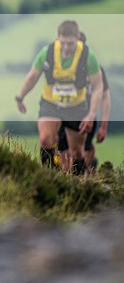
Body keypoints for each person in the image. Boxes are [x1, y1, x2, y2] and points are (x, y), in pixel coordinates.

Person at [15, 20, 103, 173]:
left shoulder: (88, 56)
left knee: (76, 152)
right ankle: (50, 178)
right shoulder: (47, 52)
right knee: (45, 139)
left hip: (76, 107)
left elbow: (98, 86)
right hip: (51, 103)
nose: (66, 47)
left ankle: (79, 184)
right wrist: (20, 96)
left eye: (70, 43)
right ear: (57, 38)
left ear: (77, 38)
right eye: (63, 43)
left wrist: (91, 114)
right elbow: (32, 76)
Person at [56, 32, 111, 174]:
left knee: (82, 153)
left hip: (86, 116)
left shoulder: (95, 69)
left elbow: (105, 97)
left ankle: (85, 181)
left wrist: (103, 126)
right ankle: (70, 184)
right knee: (64, 154)